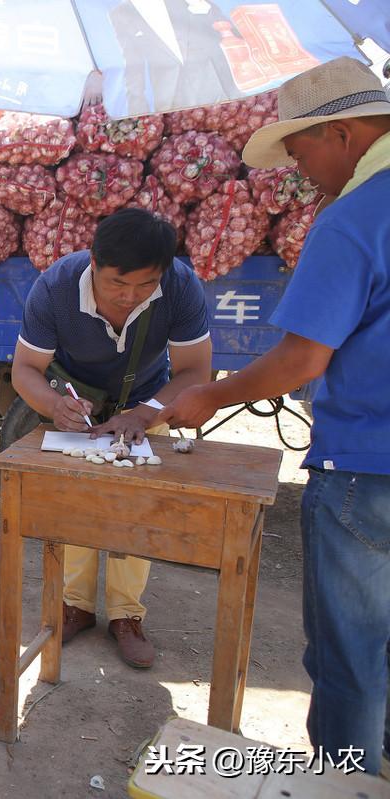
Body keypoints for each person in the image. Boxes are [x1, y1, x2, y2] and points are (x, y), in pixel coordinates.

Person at [159, 56, 390, 775]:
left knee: (350, 658)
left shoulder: (354, 217)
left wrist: (206, 397)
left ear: (345, 134)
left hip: (367, 472)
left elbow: (302, 360)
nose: (301, 172)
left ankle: (346, 781)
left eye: (302, 151)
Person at [11, 207, 212, 668]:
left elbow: (195, 371)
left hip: (150, 398)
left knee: (135, 505)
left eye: (144, 286)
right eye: (117, 284)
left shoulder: (180, 286)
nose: (129, 297)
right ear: (93, 264)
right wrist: (52, 405)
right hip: (77, 402)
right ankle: (75, 605)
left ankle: (126, 615)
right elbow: (25, 369)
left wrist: (144, 414)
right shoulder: (56, 286)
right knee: (78, 502)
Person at [109, 0, 241, 116]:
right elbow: (133, 66)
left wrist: (206, 9)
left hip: (213, 82)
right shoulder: (120, 13)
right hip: (171, 99)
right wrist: (137, 116)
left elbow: (224, 25)